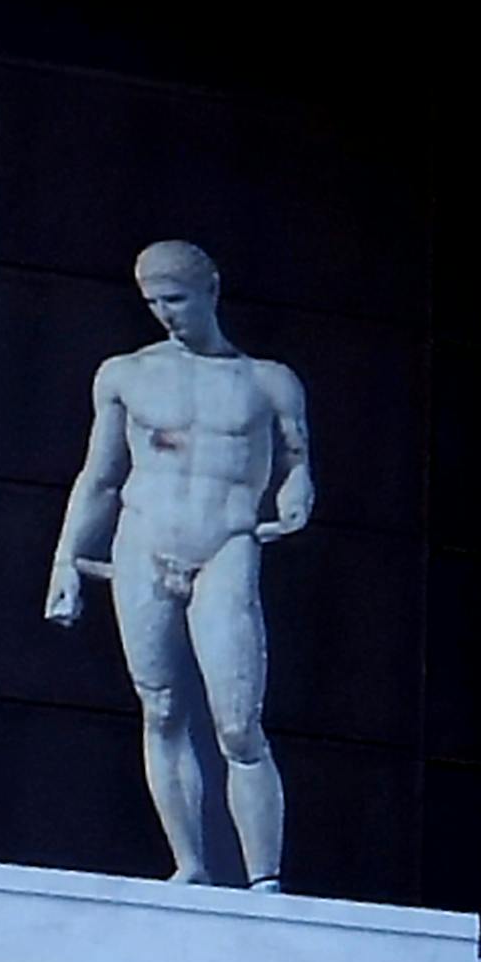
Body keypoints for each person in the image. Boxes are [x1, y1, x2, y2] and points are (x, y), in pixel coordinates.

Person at [42, 233, 318, 885]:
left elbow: (297, 460)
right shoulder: (126, 374)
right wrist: (65, 560)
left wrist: (298, 490)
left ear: (210, 288)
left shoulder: (268, 381)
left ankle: (264, 876)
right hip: (142, 541)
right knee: (161, 707)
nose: (165, 311)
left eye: (177, 297)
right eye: (153, 300)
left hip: (225, 543)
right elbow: (101, 475)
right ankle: (190, 863)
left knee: (237, 722)